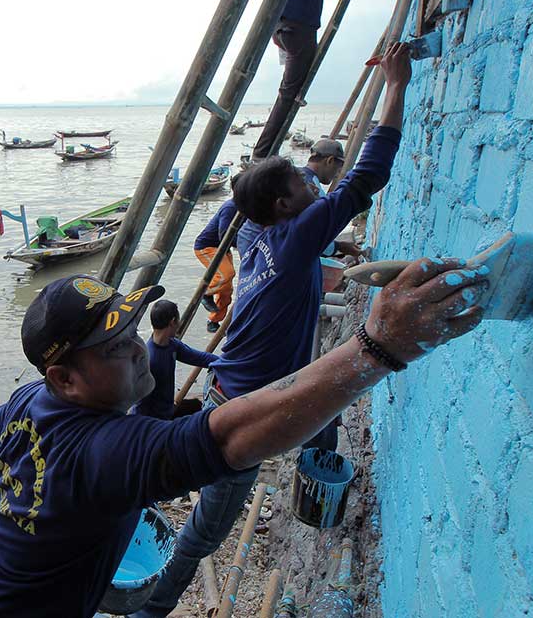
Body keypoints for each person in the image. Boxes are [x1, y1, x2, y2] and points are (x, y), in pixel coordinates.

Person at [0, 258, 487, 617]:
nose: (134, 348)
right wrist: (379, 346)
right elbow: (231, 436)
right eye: (112, 347)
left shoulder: (29, 402)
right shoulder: (104, 452)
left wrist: (38, 500)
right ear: (65, 379)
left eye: (131, 329)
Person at [137, 41, 415, 616]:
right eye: (301, 182)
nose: (314, 182)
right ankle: (152, 605)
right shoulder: (293, 239)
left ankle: (317, 501)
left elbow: (234, 214)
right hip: (247, 402)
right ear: (286, 208)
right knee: (208, 530)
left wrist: (265, 185)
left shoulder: (252, 230)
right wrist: (396, 86)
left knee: (324, 425)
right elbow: (369, 175)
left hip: (240, 381)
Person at [252, 0, 324, 162]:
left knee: (289, 90)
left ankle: (262, 152)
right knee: (288, 94)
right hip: (299, 29)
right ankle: (262, 153)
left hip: (280, 28)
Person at [133, 299, 219, 419]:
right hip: (155, 421)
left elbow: (200, 358)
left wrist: (226, 363)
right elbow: (140, 404)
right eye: (177, 321)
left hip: (168, 411)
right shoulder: (149, 360)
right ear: (173, 322)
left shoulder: (172, 345)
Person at [193, 175, 241, 333]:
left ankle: (213, 320)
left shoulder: (246, 206)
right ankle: (205, 293)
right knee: (225, 275)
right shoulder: (230, 207)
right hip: (208, 247)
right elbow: (224, 234)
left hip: (224, 248)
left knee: (226, 290)